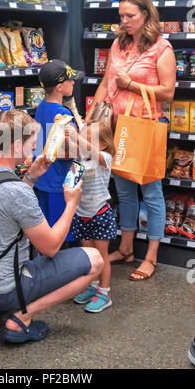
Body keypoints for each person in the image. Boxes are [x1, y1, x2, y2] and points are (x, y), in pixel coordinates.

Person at [0, 109, 104, 343]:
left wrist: (31, 177)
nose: (35, 150)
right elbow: (50, 248)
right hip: (6, 288)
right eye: (33, 144)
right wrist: (71, 204)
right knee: (95, 259)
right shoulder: (16, 192)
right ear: (18, 145)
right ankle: (23, 318)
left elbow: (4, 207)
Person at [85, 0, 176, 281]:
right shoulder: (118, 44)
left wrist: (132, 86)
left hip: (145, 126)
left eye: (130, 16)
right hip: (117, 127)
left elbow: (168, 93)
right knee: (123, 192)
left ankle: (150, 256)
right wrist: (90, 119)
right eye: (121, 16)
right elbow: (105, 83)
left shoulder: (161, 49)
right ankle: (125, 249)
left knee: (151, 193)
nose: (125, 21)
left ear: (146, 14)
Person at [69, 121, 117, 312]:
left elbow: (90, 150)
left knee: (102, 256)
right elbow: (71, 146)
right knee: (89, 256)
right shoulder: (81, 154)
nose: (84, 143)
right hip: (81, 213)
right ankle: (94, 286)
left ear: (104, 144)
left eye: (90, 140)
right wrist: (64, 134)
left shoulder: (105, 157)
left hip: (100, 213)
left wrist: (76, 136)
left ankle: (105, 293)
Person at [33, 59, 81, 241]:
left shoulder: (41, 107)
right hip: (59, 184)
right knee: (60, 236)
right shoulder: (64, 114)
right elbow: (67, 151)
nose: (73, 82)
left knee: (43, 234)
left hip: (42, 179)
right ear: (60, 87)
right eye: (70, 80)